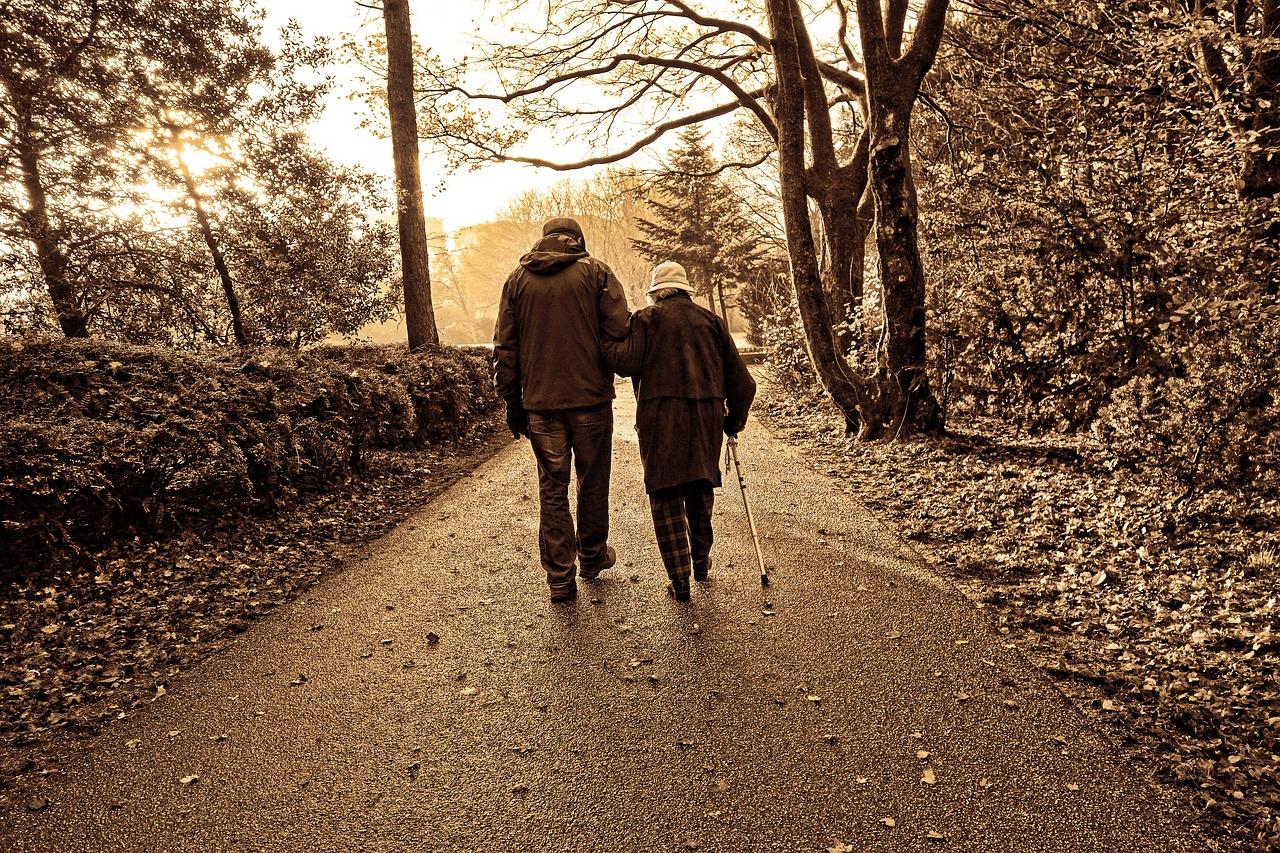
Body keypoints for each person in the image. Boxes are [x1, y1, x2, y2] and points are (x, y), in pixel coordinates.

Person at [494, 217, 631, 603]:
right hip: (591, 400)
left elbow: (506, 347)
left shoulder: (517, 280)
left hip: (541, 405)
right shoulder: (597, 273)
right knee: (592, 481)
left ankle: (559, 578)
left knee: (552, 489)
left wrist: (511, 400)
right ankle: (591, 557)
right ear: (577, 241)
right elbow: (619, 330)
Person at [603, 261, 756, 601]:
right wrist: (732, 423)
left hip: (660, 416)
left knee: (666, 493)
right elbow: (744, 384)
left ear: (656, 292)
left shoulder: (646, 319)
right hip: (706, 416)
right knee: (700, 484)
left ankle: (680, 580)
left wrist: (601, 332)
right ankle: (700, 561)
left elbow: (625, 363)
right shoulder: (712, 322)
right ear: (686, 290)